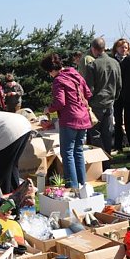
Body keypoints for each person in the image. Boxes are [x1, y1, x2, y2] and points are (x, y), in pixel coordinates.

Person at [40, 52, 92, 189]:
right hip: (83, 117)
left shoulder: (58, 80)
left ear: (51, 70)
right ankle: (82, 185)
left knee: (67, 153)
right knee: (78, 151)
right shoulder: (74, 73)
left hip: (70, 119)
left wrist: (48, 110)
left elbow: (59, 102)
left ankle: (73, 187)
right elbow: (88, 93)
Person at [83, 37, 122, 159]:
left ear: (93, 49)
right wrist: (114, 98)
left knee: (95, 134)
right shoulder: (115, 63)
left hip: (96, 104)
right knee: (107, 133)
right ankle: (108, 159)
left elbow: (89, 89)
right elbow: (119, 84)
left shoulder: (92, 65)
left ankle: (101, 160)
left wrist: (86, 102)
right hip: (110, 103)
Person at [110, 38, 130, 153]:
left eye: (126, 48)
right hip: (117, 94)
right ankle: (118, 145)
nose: (124, 49)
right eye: (121, 47)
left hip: (128, 94)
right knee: (118, 120)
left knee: (129, 119)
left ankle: (128, 142)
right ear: (116, 48)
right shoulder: (113, 61)